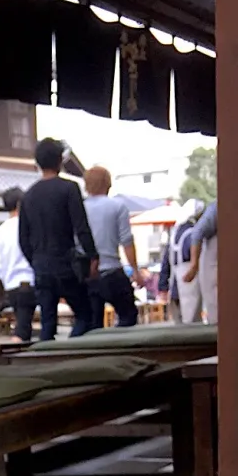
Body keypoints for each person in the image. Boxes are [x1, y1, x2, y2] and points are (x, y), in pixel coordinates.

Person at [18, 138, 99, 340]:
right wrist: (92, 257)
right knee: (85, 316)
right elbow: (81, 228)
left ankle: (48, 361)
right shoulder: (69, 188)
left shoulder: (28, 196)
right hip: (65, 264)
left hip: (41, 267)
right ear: (59, 161)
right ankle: (71, 349)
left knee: (47, 324)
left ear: (38, 162)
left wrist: (35, 261)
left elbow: (23, 239)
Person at [81, 165, 142, 330]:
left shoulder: (79, 208)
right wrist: (135, 270)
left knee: (93, 324)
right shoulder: (117, 206)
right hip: (113, 270)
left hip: (88, 273)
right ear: (108, 184)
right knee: (128, 316)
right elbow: (126, 241)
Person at [0, 187, 36, 343]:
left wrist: (6, 281)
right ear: (20, 204)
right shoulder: (29, 226)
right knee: (23, 328)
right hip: (29, 280)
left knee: (23, 323)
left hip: (11, 285)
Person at [181, 199, 218, 323]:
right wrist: (194, 265)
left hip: (214, 268)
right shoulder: (217, 207)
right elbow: (198, 232)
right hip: (212, 267)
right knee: (215, 308)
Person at [169, 207, 202, 323]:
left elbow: (166, 262)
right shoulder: (192, 234)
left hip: (174, 286)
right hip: (189, 284)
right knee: (192, 323)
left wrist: (163, 284)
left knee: (178, 323)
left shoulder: (174, 235)